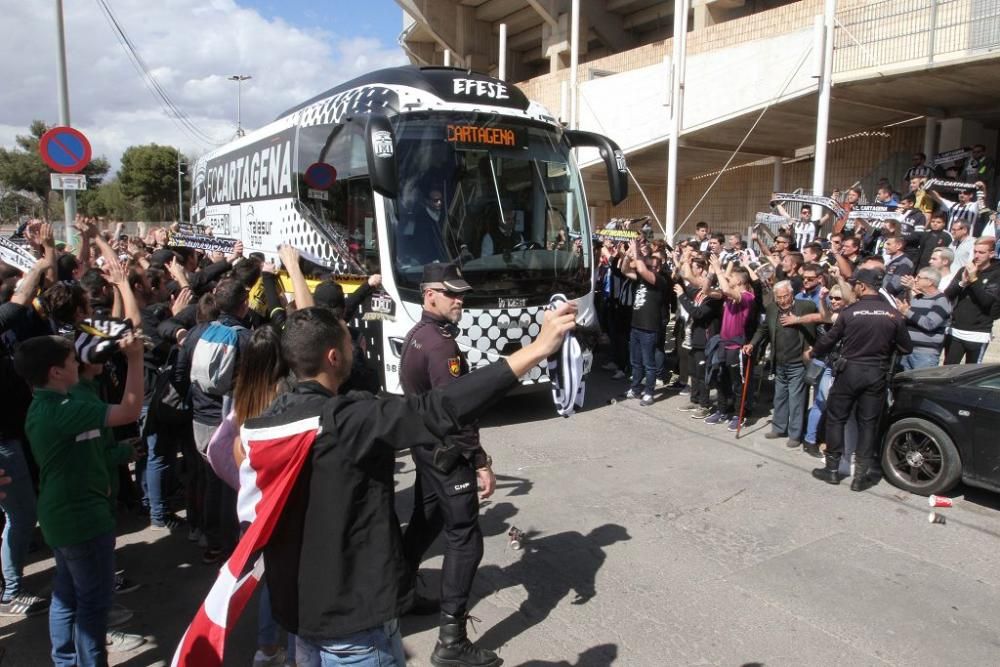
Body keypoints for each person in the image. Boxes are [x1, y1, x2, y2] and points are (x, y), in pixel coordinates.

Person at [242, 301, 576, 667]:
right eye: (350, 341)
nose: (357, 345)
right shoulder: (347, 424)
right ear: (334, 357)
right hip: (355, 629)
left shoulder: (263, 425)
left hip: (299, 619)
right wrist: (539, 349)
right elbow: (441, 408)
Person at [14, 332, 145, 666]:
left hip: (64, 516)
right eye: (73, 360)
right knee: (93, 603)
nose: (80, 363)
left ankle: (65, 661)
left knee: (67, 595)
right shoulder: (64, 410)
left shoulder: (47, 406)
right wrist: (134, 358)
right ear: (56, 372)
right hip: (81, 520)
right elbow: (131, 409)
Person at [398, 262, 499, 666]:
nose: (460, 299)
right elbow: (457, 412)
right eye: (452, 293)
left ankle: (400, 592)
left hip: (426, 450)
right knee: (465, 539)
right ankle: (452, 642)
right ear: (429, 295)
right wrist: (480, 461)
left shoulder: (420, 334)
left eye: (461, 293)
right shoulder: (440, 345)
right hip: (446, 454)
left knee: (427, 520)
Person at [809, 268, 913, 491]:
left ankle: (833, 470)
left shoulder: (851, 312)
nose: (854, 287)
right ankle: (860, 477)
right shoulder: (893, 314)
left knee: (836, 419)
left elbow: (829, 339)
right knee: (868, 424)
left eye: (856, 284)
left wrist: (813, 351)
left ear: (863, 287)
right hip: (876, 374)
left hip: (849, 372)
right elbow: (906, 347)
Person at [745, 280, 816, 450]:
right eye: (779, 297)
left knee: (796, 399)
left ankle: (795, 434)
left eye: (785, 296)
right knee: (780, 396)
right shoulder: (772, 308)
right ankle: (778, 427)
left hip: (798, 362)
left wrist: (797, 320)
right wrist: (752, 344)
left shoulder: (805, 306)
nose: (783, 300)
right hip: (780, 361)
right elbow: (763, 329)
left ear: (792, 294)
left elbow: (819, 318)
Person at [621, 241, 670, 406]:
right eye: (652, 266)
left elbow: (641, 268)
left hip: (649, 328)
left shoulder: (661, 280)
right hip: (636, 326)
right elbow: (624, 270)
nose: (653, 268)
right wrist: (628, 256)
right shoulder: (641, 278)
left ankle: (649, 392)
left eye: (656, 266)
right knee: (635, 361)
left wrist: (636, 251)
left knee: (649, 364)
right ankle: (635, 388)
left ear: (659, 268)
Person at [942, 237, 1000, 364]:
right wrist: (962, 283)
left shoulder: (996, 274)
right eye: (975, 251)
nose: (977, 256)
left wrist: (974, 280)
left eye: (981, 252)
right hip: (956, 330)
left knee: (971, 373)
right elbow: (947, 295)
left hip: (978, 334)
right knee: (947, 370)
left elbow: (986, 301)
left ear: (991, 254)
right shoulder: (965, 269)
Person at [897, 268, 951, 370]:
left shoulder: (941, 300)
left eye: (919, 277)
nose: (915, 280)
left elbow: (929, 324)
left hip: (925, 355)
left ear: (930, 282)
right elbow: (911, 319)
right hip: (907, 351)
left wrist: (907, 312)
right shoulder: (918, 298)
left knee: (920, 385)